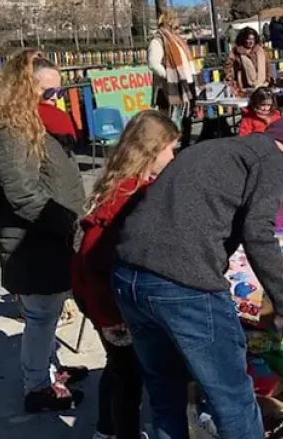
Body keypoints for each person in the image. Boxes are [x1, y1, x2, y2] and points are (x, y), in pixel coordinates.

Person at [111, 114, 283, 439]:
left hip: (128, 277)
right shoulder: (274, 158)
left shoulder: (217, 149)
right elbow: (259, 233)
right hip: (181, 284)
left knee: (164, 389)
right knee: (233, 398)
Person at [0, 50, 86, 413]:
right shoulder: (9, 131)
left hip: (52, 235)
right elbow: (22, 193)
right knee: (40, 314)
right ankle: (37, 386)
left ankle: (49, 368)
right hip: (32, 240)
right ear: (24, 91)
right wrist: (66, 225)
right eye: (48, 93)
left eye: (59, 92)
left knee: (51, 309)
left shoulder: (42, 123)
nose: (57, 99)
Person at [73, 111, 180, 439]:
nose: (174, 157)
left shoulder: (122, 182)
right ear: (152, 150)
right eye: (171, 149)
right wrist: (113, 315)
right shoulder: (132, 194)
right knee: (130, 374)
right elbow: (100, 252)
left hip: (97, 293)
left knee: (119, 368)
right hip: (110, 300)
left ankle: (106, 430)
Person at [147, 10, 201, 146]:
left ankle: (185, 145)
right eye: (175, 24)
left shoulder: (177, 40)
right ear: (169, 23)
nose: (178, 27)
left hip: (183, 84)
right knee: (166, 119)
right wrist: (170, 76)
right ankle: (164, 148)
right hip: (168, 85)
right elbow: (153, 63)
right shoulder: (158, 41)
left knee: (186, 117)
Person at [223, 27, 273, 97]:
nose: (251, 42)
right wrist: (231, 82)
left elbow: (267, 66)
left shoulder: (261, 51)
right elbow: (227, 67)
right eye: (249, 39)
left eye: (253, 39)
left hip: (262, 86)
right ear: (243, 39)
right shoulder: (236, 52)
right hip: (244, 88)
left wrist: (267, 81)